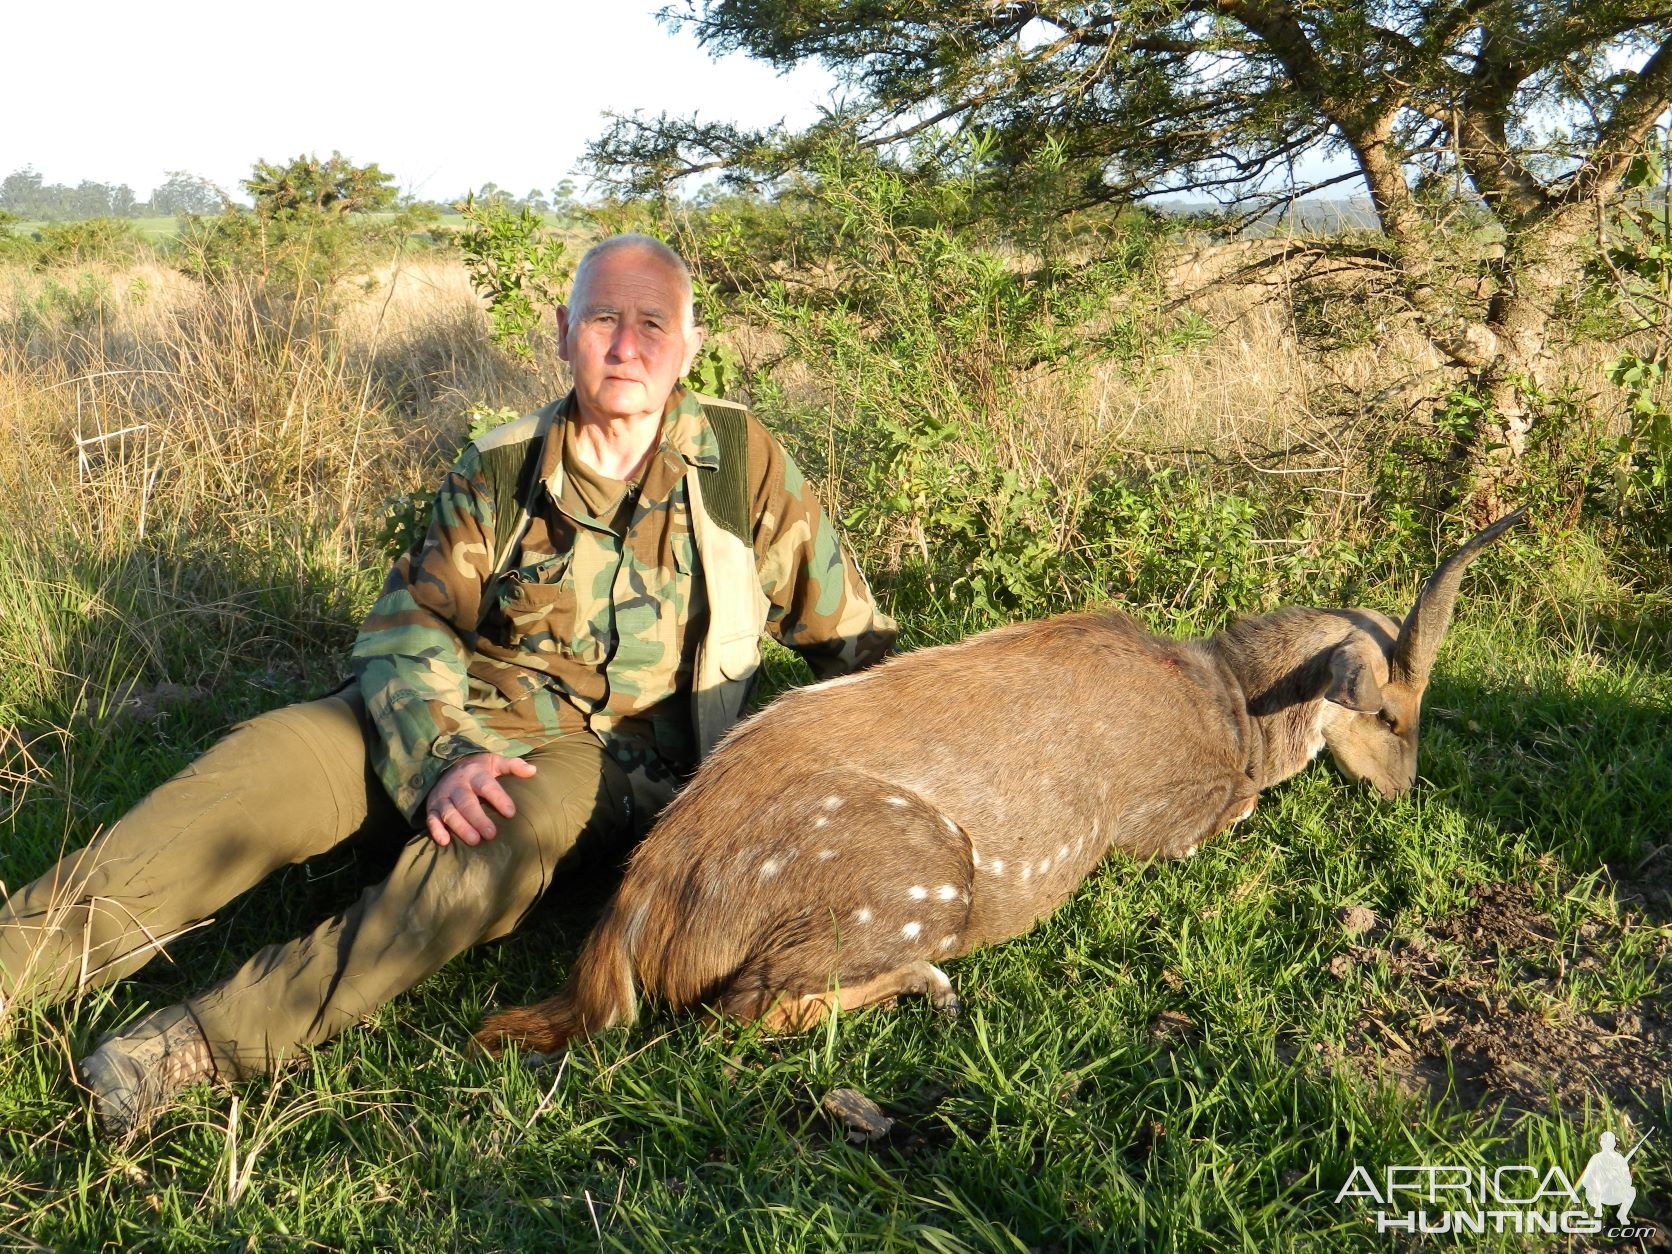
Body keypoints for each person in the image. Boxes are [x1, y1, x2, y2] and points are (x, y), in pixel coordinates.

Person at [0, 234, 896, 1136]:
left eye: (652, 324)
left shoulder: (739, 464)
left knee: (495, 833)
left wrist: (911, 786)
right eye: (602, 319)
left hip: (603, 765)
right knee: (260, 764)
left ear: (690, 346)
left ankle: (192, 1047)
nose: (626, 346)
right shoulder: (504, 466)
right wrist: (442, 754)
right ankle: (16, 965)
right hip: (450, 715)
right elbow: (413, 625)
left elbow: (852, 641)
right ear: (562, 333)